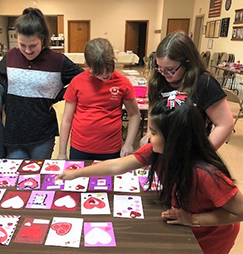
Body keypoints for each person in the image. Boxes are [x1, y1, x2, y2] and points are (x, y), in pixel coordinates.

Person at [57, 93, 243, 254]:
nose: (147, 137)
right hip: (185, 222)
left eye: (153, 132)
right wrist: (78, 173)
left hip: (210, 237)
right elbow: (117, 166)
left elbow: (240, 212)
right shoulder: (157, 151)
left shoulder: (205, 174)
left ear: (174, 139)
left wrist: (193, 219)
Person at [0, 7, 83, 159]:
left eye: (33, 45)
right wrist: (13, 92)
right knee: (15, 177)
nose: (27, 51)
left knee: (40, 177)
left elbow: (82, 79)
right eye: (22, 45)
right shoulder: (11, 55)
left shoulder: (57, 60)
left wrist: (57, 95)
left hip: (42, 134)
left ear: (42, 39)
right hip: (14, 133)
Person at [140, 32, 233, 150]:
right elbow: (153, 111)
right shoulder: (158, 80)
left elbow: (225, 124)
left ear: (187, 63)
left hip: (191, 150)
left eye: (170, 70)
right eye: (160, 68)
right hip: (163, 149)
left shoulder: (204, 83)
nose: (164, 74)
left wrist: (204, 154)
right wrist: (149, 134)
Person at [57, 38, 140, 160]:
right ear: (89, 66)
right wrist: (62, 152)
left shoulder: (122, 82)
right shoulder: (77, 82)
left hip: (111, 148)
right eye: (99, 73)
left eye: (109, 70)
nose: (105, 75)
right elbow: (67, 119)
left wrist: (128, 144)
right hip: (80, 147)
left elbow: (134, 114)